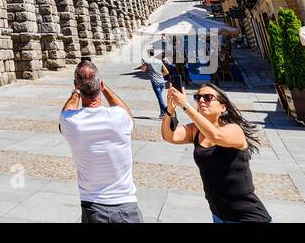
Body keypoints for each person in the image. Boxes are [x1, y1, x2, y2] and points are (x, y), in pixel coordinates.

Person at [161, 81, 272, 223]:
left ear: (223, 107)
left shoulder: (234, 129)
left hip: (247, 216)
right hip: (219, 215)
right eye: (198, 97)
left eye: (207, 97)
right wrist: (170, 110)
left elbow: (216, 136)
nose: (201, 100)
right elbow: (169, 136)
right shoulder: (195, 130)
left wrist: (185, 105)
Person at [60, 59, 142, 223]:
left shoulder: (71, 122)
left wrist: (76, 91)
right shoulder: (120, 117)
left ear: (77, 85)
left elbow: (66, 111)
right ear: (100, 84)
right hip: (126, 206)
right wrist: (104, 89)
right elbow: (126, 112)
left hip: (93, 208)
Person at [136, 48, 170, 117]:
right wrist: (160, 75)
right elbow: (166, 72)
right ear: (153, 53)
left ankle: (166, 111)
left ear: (148, 54)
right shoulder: (159, 61)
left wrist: (143, 65)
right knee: (159, 97)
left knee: (159, 97)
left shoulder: (147, 61)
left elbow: (143, 70)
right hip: (162, 81)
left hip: (155, 82)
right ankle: (162, 113)